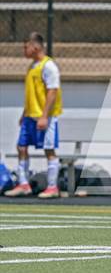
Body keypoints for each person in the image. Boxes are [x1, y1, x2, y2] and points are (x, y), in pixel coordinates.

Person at [5, 32, 62, 199]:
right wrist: (25, 113)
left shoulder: (49, 66)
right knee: (21, 146)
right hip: (30, 116)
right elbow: (32, 94)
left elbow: (52, 92)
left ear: (35, 46)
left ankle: (52, 187)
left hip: (45, 116)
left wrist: (44, 116)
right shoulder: (32, 66)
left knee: (48, 149)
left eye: (26, 46)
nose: (24, 50)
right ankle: (23, 184)